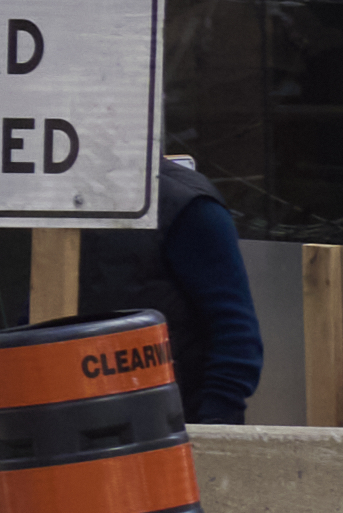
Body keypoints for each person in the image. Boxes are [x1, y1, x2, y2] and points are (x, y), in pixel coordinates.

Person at [78, 148, 271, 422]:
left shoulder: (187, 205)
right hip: (84, 424)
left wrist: (214, 435)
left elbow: (236, 335)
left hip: (174, 428)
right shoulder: (72, 202)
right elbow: (42, 312)